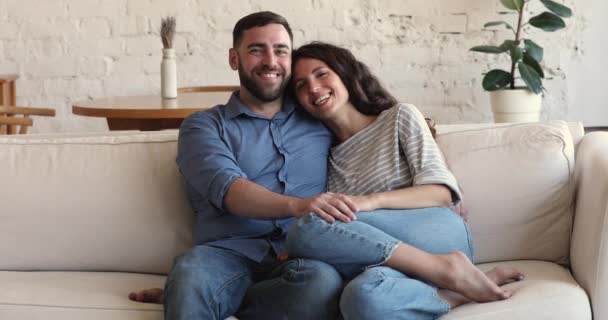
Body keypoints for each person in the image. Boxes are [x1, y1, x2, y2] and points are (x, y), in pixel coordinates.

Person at [132, 12, 361, 320]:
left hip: (302, 256)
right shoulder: (203, 127)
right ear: (233, 58)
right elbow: (230, 190)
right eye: (256, 50)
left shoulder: (318, 117)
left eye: (281, 51)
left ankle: (219, 300)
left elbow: (366, 124)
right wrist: (299, 205)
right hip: (226, 255)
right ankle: (199, 293)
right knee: (191, 275)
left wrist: (417, 126)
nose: (270, 61)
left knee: (322, 285)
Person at [285, 42, 524, 320]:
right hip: (390, 263)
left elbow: (442, 192)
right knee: (360, 298)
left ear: (345, 73)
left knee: (309, 224)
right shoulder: (322, 156)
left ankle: (449, 268)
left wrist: (368, 202)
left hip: (436, 233)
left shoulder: (399, 117)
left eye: (321, 74)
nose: (313, 88)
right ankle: (453, 292)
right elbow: (346, 236)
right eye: (301, 85)